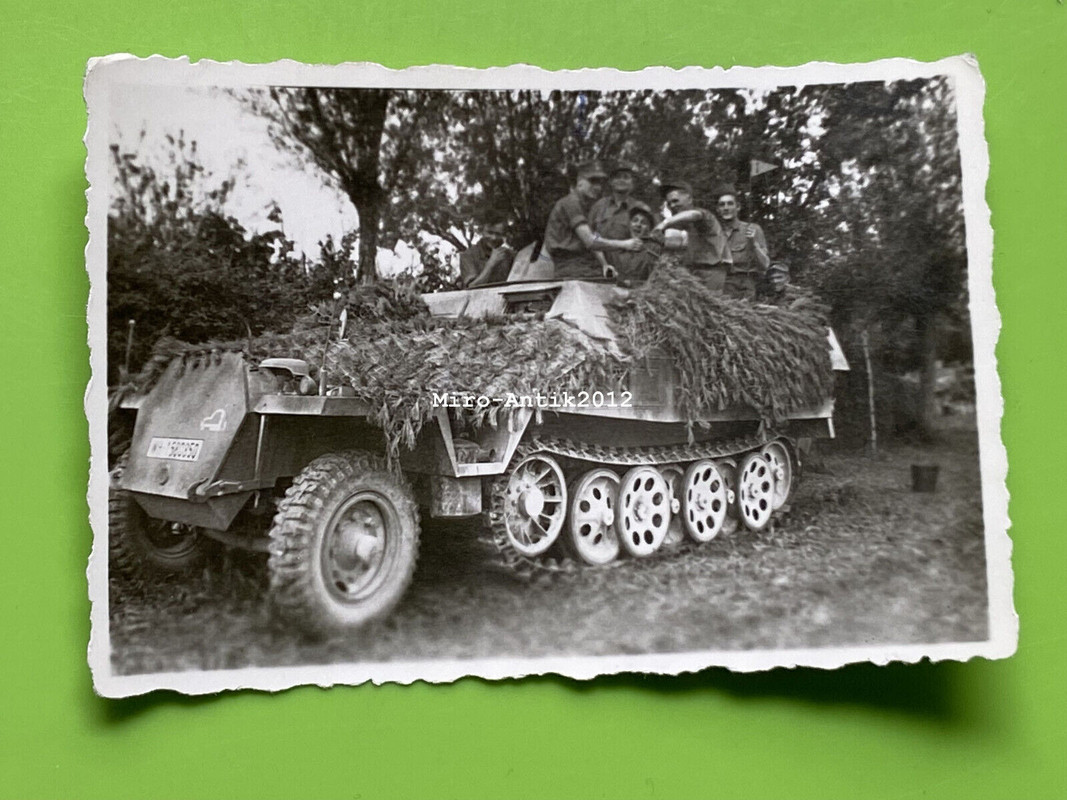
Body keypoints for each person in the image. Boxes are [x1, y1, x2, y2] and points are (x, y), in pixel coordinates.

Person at [542, 161, 644, 279]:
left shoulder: (586, 206)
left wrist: (604, 264)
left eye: (600, 183)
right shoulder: (571, 203)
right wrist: (624, 244)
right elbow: (590, 241)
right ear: (580, 182)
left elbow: (593, 237)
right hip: (573, 268)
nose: (597, 187)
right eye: (592, 181)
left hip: (584, 266)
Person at [652, 180, 732, 289]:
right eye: (669, 203)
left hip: (710, 272)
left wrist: (665, 223)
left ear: (689, 199)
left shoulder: (704, 215)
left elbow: (694, 214)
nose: (672, 205)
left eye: (675, 201)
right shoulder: (679, 225)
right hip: (690, 275)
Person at [590, 161, 656, 277]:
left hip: (629, 272)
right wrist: (604, 264)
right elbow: (589, 237)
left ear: (633, 183)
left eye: (626, 177)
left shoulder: (641, 208)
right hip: (599, 270)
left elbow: (650, 243)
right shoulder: (599, 206)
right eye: (617, 177)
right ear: (611, 182)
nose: (621, 180)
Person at [715, 187, 771, 299]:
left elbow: (765, 265)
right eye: (722, 205)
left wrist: (753, 243)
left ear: (738, 207)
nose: (726, 208)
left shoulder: (752, 229)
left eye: (730, 204)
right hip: (720, 285)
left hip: (744, 287)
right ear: (718, 209)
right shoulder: (713, 234)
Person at [458, 210, 515, 287]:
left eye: (498, 234)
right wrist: (491, 264)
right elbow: (472, 287)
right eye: (490, 232)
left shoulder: (510, 256)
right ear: (481, 231)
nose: (494, 238)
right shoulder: (468, 256)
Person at [609, 206, 659, 283]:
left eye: (643, 222)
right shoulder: (622, 247)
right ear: (630, 225)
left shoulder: (654, 249)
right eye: (635, 221)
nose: (638, 224)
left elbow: (656, 279)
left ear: (649, 229)